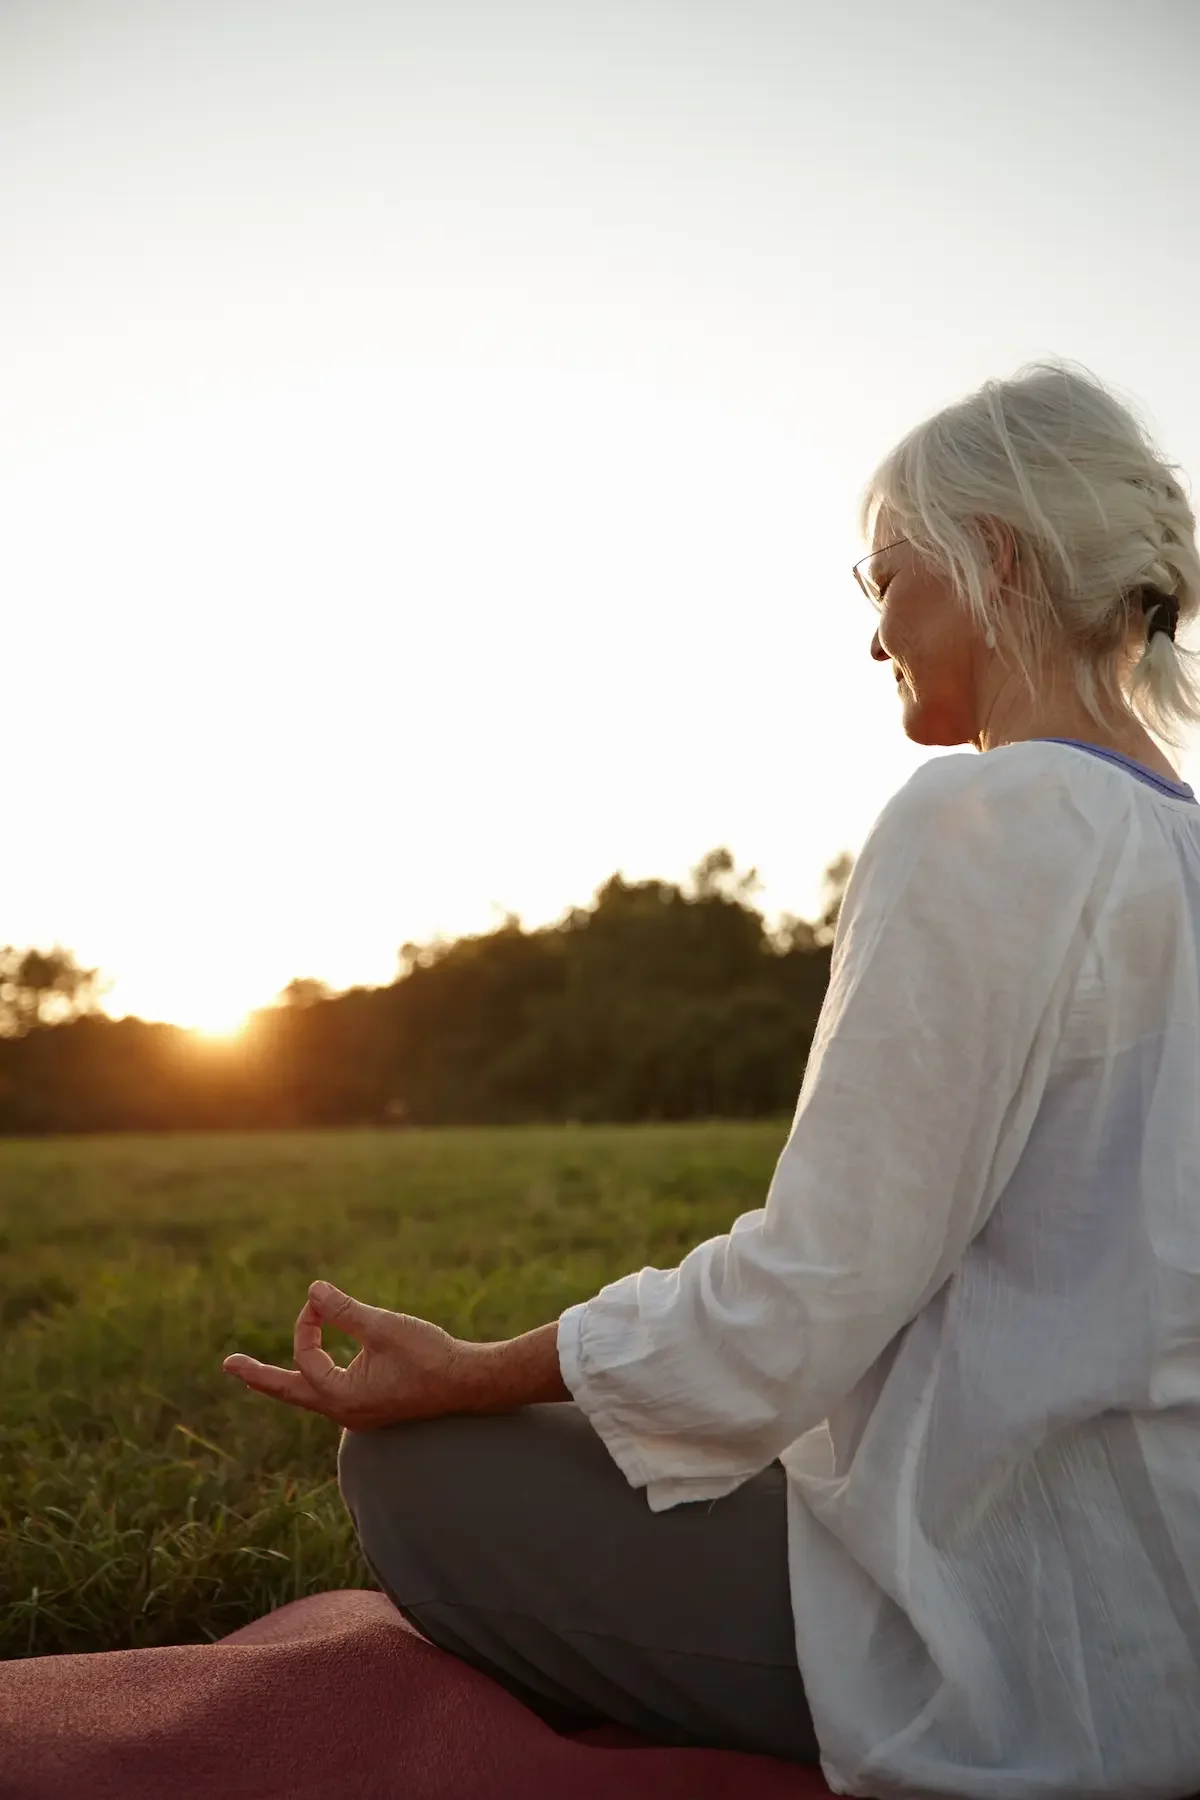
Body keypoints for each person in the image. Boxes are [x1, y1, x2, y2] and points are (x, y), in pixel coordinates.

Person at [224, 359, 1200, 1800]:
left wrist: (475, 1370)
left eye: (887, 580)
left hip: (1026, 1634)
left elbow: (810, 1296)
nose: (875, 637)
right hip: (1170, 1588)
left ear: (995, 559)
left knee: (424, 1479)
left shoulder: (987, 815)